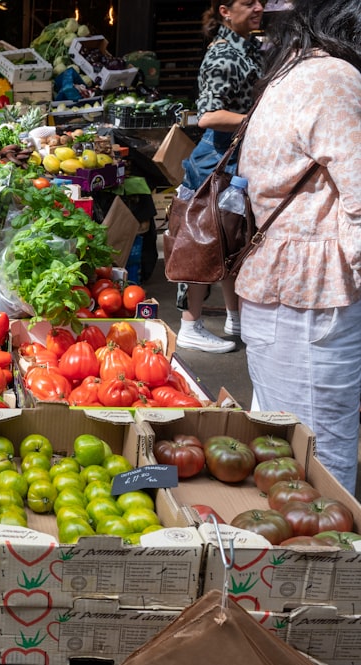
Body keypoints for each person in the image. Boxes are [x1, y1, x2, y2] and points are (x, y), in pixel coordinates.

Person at [237, 0, 361, 494]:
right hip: (314, 298)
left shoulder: (291, 72)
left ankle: (279, 568)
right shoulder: (335, 78)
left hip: (279, 287)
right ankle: (328, 566)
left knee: (280, 450)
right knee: (320, 459)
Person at [174, 0, 264, 354]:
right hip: (216, 159)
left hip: (237, 158)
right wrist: (258, 120)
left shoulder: (251, 47)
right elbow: (208, 116)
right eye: (248, 2)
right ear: (225, 10)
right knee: (204, 240)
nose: (258, 7)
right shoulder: (223, 55)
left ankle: (235, 317)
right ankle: (190, 326)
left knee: (232, 237)